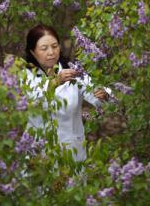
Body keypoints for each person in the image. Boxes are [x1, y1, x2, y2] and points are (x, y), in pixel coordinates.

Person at [23, 24, 108, 162]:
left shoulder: (71, 70)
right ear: (33, 52)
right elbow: (32, 99)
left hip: (72, 150)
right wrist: (55, 82)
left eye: (55, 46)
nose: (51, 52)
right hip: (39, 152)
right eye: (44, 48)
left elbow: (95, 93)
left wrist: (103, 94)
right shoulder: (25, 76)